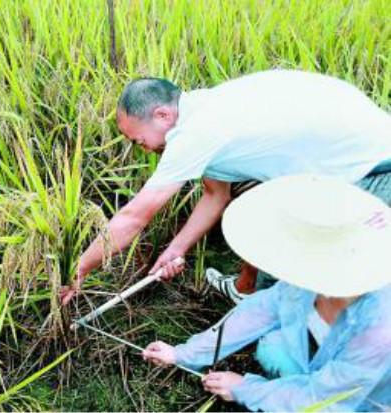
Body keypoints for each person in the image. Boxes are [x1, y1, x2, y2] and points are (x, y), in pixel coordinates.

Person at [60, 69, 391, 305]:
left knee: (328, 278)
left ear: (162, 114)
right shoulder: (204, 110)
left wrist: (79, 270)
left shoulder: (195, 133)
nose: (141, 148)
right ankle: (249, 293)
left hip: (370, 173)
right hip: (339, 163)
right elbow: (216, 194)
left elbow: (135, 217)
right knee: (263, 210)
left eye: (138, 138)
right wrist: (176, 250)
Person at [142, 174, 391, 411]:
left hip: (368, 400)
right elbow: (258, 312)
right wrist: (182, 354)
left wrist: (245, 389)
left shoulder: (378, 330)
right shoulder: (311, 278)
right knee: (272, 348)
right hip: (337, 373)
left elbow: (327, 401)